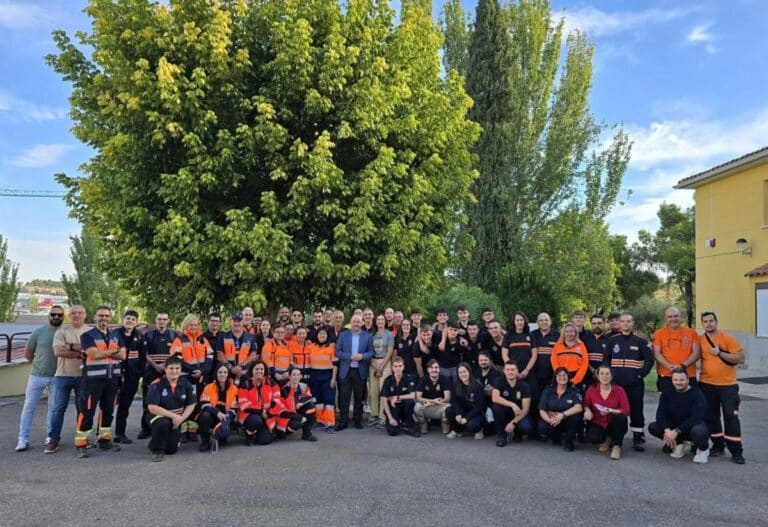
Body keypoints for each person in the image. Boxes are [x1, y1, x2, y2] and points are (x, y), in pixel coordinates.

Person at [75, 305, 126, 458]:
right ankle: (81, 443)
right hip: (92, 380)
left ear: (110, 318)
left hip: (112, 379)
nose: (104, 318)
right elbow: (94, 355)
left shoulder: (116, 335)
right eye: (100, 315)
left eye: (106, 316)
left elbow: (123, 356)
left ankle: (104, 440)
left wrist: (106, 353)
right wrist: (114, 351)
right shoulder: (88, 335)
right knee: (87, 411)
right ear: (95, 317)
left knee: (108, 410)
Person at [698, 311, 746, 464]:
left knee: (731, 417)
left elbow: (741, 358)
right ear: (702, 324)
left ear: (716, 322)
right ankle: (718, 446)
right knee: (711, 417)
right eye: (705, 321)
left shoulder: (727, 338)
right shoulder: (700, 340)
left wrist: (720, 353)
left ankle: (736, 451)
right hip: (706, 384)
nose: (708, 324)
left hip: (728, 386)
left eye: (711, 321)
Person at [15, 305, 63, 452]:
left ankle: (50, 437)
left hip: (57, 377)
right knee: (28, 407)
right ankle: (23, 439)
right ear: (48, 315)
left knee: (53, 409)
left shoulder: (65, 332)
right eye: (53, 314)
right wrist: (39, 364)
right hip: (37, 376)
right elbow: (28, 354)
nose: (56, 317)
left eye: (59, 315)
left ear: (63, 317)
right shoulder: (38, 332)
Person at [605, 313, 654, 452]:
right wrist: (609, 376)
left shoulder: (641, 341)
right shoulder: (612, 341)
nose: (626, 324)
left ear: (633, 323)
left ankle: (638, 437)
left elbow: (649, 360)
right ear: (619, 324)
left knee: (636, 410)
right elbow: (606, 360)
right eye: (623, 321)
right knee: (615, 410)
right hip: (616, 383)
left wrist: (640, 375)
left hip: (635, 383)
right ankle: (615, 436)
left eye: (629, 321)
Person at [47, 304, 89, 454]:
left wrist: (69, 346)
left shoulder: (90, 332)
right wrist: (82, 352)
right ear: (69, 316)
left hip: (83, 377)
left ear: (85, 315)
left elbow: (93, 351)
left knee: (82, 409)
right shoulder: (61, 331)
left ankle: (81, 437)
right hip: (62, 376)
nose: (77, 315)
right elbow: (58, 351)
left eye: (80, 312)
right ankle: (53, 440)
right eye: (73, 313)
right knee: (58, 409)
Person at [648, 368, 709, 464]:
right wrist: (667, 430)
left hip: (692, 427)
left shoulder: (697, 394)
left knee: (699, 431)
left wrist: (677, 431)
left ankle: (703, 449)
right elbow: (660, 414)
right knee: (653, 427)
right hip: (675, 426)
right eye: (675, 380)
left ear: (688, 380)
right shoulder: (667, 393)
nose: (678, 382)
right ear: (672, 380)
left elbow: (696, 418)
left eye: (681, 380)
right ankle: (679, 443)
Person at [146, 355, 197, 462]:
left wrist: (181, 419)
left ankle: (155, 442)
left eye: (177, 368)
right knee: (163, 423)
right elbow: (152, 407)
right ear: (165, 369)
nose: (174, 371)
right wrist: (174, 416)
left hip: (177, 419)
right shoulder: (156, 384)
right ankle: (157, 450)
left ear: (181, 369)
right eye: (171, 368)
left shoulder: (185, 384)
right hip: (158, 416)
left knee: (171, 450)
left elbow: (191, 404)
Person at [138, 312, 179, 439]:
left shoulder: (174, 335)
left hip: (169, 373)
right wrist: (155, 365)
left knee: (168, 400)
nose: (162, 321)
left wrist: (165, 366)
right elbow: (143, 353)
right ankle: (146, 428)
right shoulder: (148, 335)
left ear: (168, 321)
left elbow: (178, 353)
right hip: (151, 372)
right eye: (159, 319)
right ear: (155, 320)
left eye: (164, 319)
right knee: (148, 400)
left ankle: (167, 426)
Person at [335, 314, 375, 430]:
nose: (356, 324)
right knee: (344, 397)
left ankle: (358, 420)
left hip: (360, 370)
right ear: (351, 323)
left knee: (359, 397)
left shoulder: (367, 336)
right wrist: (350, 356)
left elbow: (371, 352)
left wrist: (362, 356)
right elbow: (337, 351)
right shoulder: (343, 335)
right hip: (346, 370)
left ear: (362, 323)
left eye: (358, 322)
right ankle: (343, 421)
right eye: (354, 321)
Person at [583, 365, 630, 460]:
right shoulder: (591, 390)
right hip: (599, 422)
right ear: (598, 376)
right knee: (592, 438)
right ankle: (608, 440)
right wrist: (587, 410)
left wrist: (611, 411)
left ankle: (617, 445)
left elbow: (626, 410)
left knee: (621, 417)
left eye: (607, 374)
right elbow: (585, 404)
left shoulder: (619, 390)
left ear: (611, 376)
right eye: (602, 374)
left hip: (614, 423)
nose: (604, 376)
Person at [652, 306, 701, 393]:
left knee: (689, 403)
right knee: (667, 404)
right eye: (670, 317)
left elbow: (696, 353)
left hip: (688, 375)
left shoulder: (691, 333)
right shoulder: (659, 333)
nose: (673, 319)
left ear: (680, 317)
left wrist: (682, 366)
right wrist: (671, 367)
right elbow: (657, 354)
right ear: (665, 319)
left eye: (675, 316)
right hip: (666, 375)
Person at [114, 310, 144, 445]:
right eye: (128, 318)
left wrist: (138, 373)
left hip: (132, 376)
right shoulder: (114, 334)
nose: (130, 321)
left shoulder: (139, 336)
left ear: (136, 322)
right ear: (123, 319)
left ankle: (120, 434)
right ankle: (102, 435)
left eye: (133, 319)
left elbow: (143, 357)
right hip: (114, 374)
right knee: (107, 406)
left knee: (124, 406)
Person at [537, 367, 583, 452]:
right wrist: (550, 420)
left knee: (575, 417)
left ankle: (569, 442)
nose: (562, 377)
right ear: (555, 377)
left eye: (564, 375)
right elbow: (542, 409)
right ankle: (556, 437)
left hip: (566, 420)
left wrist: (562, 415)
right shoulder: (548, 390)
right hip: (552, 420)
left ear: (568, 377)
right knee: (541, 427)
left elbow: (578, 407)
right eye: (559, 375)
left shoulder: (573, 391)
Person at [237, 361, 282, 445]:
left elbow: (277, 401)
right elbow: (243, 404)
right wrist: (261, 411)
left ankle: (258, 433)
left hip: (267, 415)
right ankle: (248, 433)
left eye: (262, 369)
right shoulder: (246, 384)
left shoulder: (271, 382)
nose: (259, 371)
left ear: (265, 371)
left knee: (265, 440)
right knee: (256, 420)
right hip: (250, 415)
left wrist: (268, 413)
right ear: (252, 371)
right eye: (256, 369)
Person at [197, 363, 238, 452]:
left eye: (225, 372)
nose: (222, 374)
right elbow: (204, 405)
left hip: (226, 416)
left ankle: (221, 437)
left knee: (224, 432)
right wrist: (217, 413)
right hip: (212, 415)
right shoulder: (209, 387)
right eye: (220, 372)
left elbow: (234, 409)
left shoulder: (234, 389)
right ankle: (205, 441)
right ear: (216, 374)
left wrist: (226, 417)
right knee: (205, 416)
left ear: (228, 374)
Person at [491, 362, 533, 447]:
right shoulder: (498, 381)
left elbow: (525, 410)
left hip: (518, 414)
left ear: (517, 371)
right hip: (505, 413)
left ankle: (517, 433)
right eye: (508, 369)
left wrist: (513, 422)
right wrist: (512, 404)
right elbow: (494, 398)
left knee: (526, 427)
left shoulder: (524, 386)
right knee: (496, 407)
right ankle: (502, 435)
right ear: (504, 371)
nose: (510, 372)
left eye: (513, 369)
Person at [380, 357, 419, 437]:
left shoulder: (408, 378)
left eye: (400, 366)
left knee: (410, 402)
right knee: (392, 432)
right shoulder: (388, 380)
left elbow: (412, 395)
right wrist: (390, 418)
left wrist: (397, 397)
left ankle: (408, 424)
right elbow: (384, 400)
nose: (398, 368)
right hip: (393, 407)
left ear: (403, 367)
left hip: (404, 407)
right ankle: (398, 422)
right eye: (396, 366)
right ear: (392, 367)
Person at [446, 363, 486, 440]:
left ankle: (479, 430)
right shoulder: (455, 385)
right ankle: (457, 430)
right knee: (449, 410)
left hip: (476, 413)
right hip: (463, 411)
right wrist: (458, 413)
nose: (462, 374)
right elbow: (454, 401)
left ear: (469, 372)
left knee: (472, 425)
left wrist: (466, 418)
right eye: (460, 372)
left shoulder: (478, 386)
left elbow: (480, 407)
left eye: (464, 372)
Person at [277, 367, 318, 441]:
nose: (296, 377)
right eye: (294, 375)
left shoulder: (304, 386)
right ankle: (283, 433)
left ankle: (307, 434)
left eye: (298, 375)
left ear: (300, 376)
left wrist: (301, 402)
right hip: (288, 415)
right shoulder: (283, 390)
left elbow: (308, 397)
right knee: (295, 424)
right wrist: (299, 417)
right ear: (289, 376)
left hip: (298, 410)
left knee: (311, 407)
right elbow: (282, 412)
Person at [309, 328, 338, 432]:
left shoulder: (331, 347)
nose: (322, 335)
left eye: (324, 334)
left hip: (328, 375)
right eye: (320, 334)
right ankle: (320, 421)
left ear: (327, 336)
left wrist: (334, 379)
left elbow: (335, 364)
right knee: (318, 401)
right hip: (315, 375)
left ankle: (330, 424)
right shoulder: (311, 347)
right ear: (316, 335)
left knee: (329, 401)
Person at [368, 314, 395, 426]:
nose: (380, 321)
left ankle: (383, 416)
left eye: (382, 319)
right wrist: (375, 366)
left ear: (385, 321)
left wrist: (382, 366)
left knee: (383, 389)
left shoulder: (389, 334)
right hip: (373, 363)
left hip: (385, 362)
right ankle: (373, 414)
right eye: (378, 319)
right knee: (373, 391)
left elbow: (390, 351)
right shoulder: (371, 335)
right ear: (375, 321)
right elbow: (368, 350)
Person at [501, 312, 537, 394]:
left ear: (525, 321)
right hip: (512, 372)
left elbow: (534, 355)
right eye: (517, 320)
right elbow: (504, 355)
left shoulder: (530, 335)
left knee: (532, 395)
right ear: (514, 322)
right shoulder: (508, 335)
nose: (519, 322)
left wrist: (526, 370)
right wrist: (513, 370)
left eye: (521, 320)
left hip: (528, 371)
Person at [215, 311, 255, 385]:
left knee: (243, 394)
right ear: (231, 322)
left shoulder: (250, 337)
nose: (236, 323)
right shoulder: (223, 336)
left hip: (244, 372)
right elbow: (219, 355)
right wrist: (232, 368)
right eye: (234, 321)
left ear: (242, 322)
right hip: (227, 372)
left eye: (239, 321)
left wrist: (242, 366)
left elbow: (253, 353)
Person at [414, 359, 451, 434]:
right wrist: (433, 401)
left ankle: (445, 424)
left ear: (439, 369)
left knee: (448, 407)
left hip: (439, 407)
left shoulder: (444, 379)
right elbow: (417, 398)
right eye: (431, 368)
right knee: (417, 407)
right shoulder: (423, 380)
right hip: (426, 407)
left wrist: (432, 403)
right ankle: (423, 424)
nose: (434, 370)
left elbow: (447, 398)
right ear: (427, 369)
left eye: (436, 367)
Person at [550, 323, 589, 389]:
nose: (569, 334)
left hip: (576, 377)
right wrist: (560, 376)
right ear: (563, 333)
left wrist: (575, 380)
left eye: (571, 331)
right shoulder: (558, 345)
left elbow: (584, 364)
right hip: (561, 377)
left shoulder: (581, 345)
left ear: (575, 333)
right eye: (567, 332)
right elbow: (554, 361)